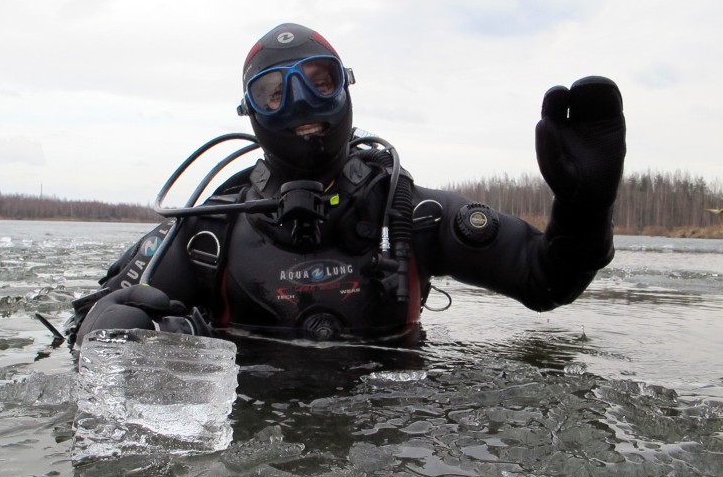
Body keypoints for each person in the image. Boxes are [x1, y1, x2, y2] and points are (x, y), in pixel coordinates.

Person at [66, 22, 626, 347]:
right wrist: (108, 336)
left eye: (319, 82)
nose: (301, 104)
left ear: (346, 89)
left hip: (393, 451)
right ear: (250, 112)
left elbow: (547, 280)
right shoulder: (210, 231)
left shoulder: (408, 213)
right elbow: (89, 319)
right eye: (274, 92)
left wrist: (585, 207)